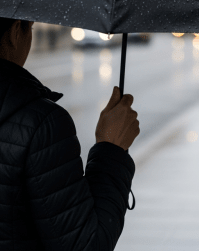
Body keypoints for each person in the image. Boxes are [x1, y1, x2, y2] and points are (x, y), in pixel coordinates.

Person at [0, 18, 140, 250]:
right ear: (16, 32)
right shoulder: (42, 124)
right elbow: (85, 244)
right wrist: (111, 150)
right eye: (31, 28)